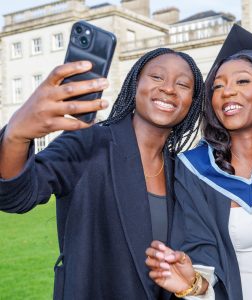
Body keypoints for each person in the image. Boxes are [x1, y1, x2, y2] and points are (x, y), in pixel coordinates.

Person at [0, 47, 204, 299]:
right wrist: (15, 136)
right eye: (156, 77)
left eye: (183, 84)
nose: (169, 88)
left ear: (192, 102)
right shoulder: (89, 142)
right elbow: (15, 196)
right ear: (134, 83)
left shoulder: (181, 172)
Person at [145, 25, 252, 299]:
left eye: (242, 81)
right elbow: (199, 249)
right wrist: (195, 283)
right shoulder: (195, 169)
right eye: (217, 86)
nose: (227, 92)